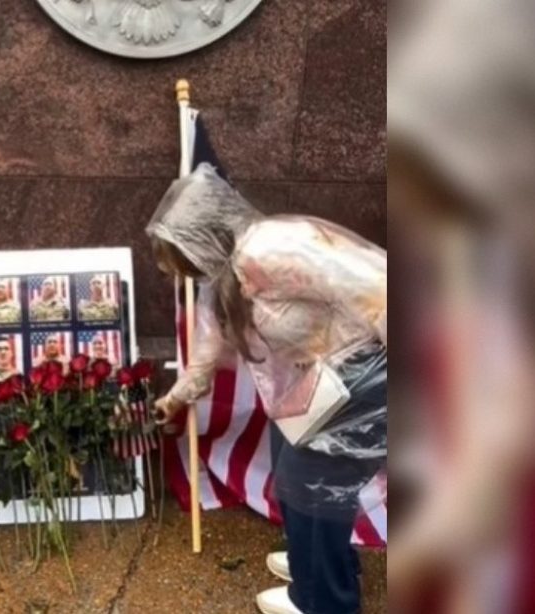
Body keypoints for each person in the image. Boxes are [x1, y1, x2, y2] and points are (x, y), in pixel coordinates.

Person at [148, 163, 387, 614]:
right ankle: (312, 564)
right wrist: (175, 399)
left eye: (182, 258)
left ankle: (326, 601)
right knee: (294, 476)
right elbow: (207, 347)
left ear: (206, 235)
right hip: (314, 382)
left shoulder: (273, 248)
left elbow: (378, 289)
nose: (183, 272)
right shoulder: (221, 279)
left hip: (361, 370)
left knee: (313, 484)